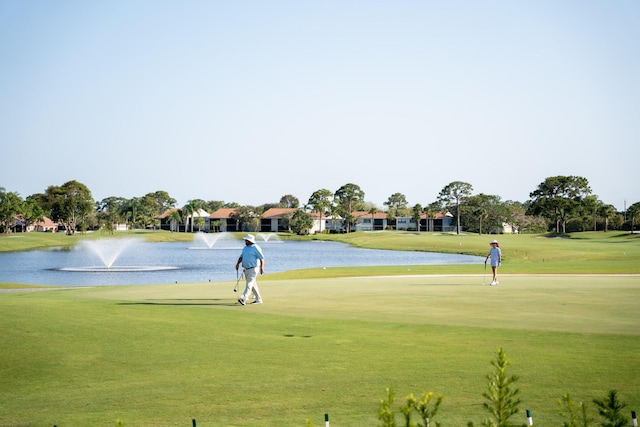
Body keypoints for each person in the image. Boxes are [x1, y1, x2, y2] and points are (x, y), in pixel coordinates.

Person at [235, 234, 265, 305]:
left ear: (250, 241)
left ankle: (243, 298)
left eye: (246, 240)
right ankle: (258, 300)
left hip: (254, 268)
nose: (245, 241)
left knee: (249, 283)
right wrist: (237, 264)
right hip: (246, 269)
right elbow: (241, 257)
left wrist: (262, 267)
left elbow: (262, 258)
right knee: (252, 285)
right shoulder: (245, 248)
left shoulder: (256, 247)